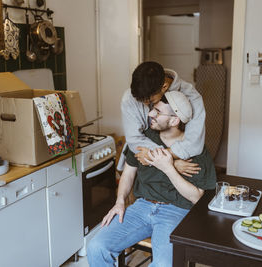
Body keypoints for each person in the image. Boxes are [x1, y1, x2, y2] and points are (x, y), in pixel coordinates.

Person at [87, 91, 216, 267]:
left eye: (157, 112)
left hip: (176, 212)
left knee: (164, 265)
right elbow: (129, 172)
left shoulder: (195, 148)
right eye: (152, 109)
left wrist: (169, 168)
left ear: (174, 120)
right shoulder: (144, 138)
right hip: (142, 206)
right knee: (96, 247)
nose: (150, 114)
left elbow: (196, 197)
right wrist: (119, 201)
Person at [121, 61, 206, 176]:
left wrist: (162, 159)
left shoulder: (192, 97)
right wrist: (172, 163)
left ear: (164, 87)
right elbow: (135, 139)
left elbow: (194, 143)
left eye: (151, 101)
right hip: (142, 158)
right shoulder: (129, 98)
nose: (150, 112)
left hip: (183, 160)